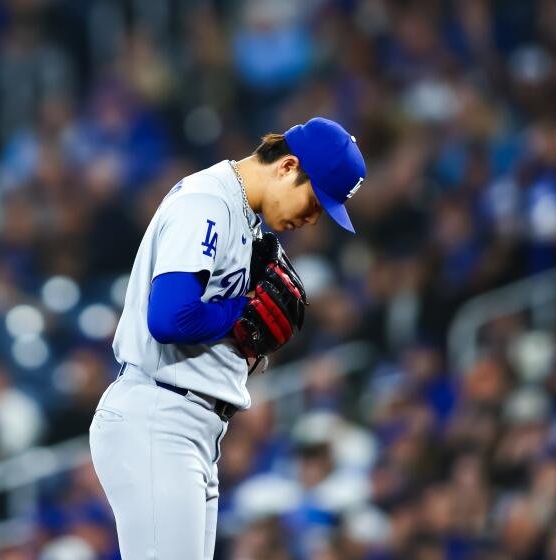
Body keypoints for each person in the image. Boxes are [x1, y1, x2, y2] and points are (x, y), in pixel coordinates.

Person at [89, 117, 366, 559]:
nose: (313, 218)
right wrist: (240, 314)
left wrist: (244, 346)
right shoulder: (207, 203)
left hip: (191, 425)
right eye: (315, 201)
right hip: (160, 416)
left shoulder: (242, 216)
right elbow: (170, 318)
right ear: (287, 166)